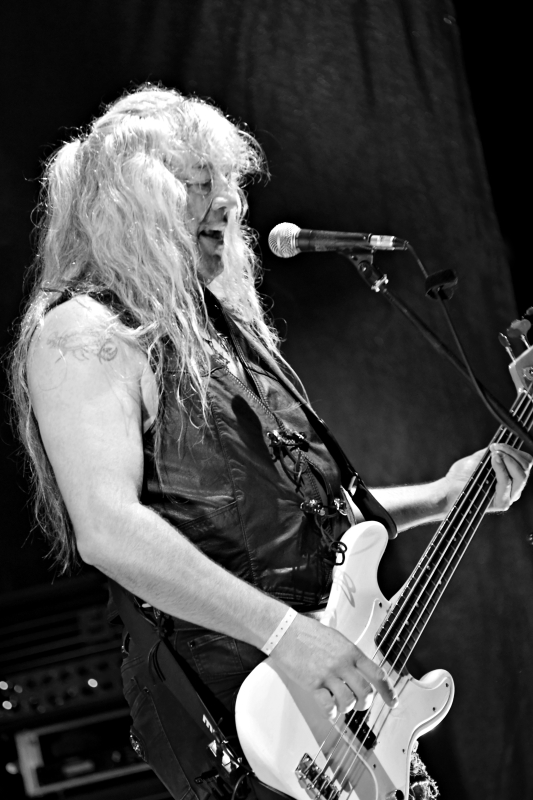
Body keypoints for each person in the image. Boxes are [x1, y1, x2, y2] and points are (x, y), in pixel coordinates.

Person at [10, 86, 531, 800]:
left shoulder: (224, 331)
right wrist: (285, 634)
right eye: (199, 185)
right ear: (132, 203)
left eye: (228, 184)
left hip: (334, 710)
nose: (228, 205)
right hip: (243, 708)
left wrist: (445, 496)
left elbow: (302, 521)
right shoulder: (85, 330)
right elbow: (108, 530)